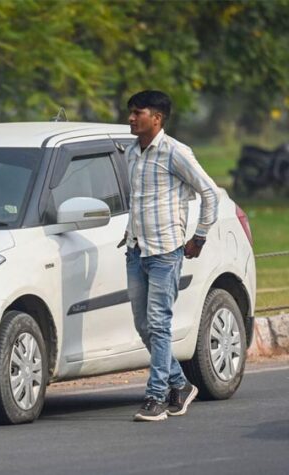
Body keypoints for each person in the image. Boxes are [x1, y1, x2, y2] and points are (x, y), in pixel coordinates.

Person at [123, 90, 219, 422]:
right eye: (131, 112)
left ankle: (156, 397)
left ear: (157, 118)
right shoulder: (131, 153)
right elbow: (138, 201)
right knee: (144, 325)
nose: (131, 118)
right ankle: (180, 384)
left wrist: (200, 236)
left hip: (165, 252)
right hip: (136, 250)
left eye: (138, 112)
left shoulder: (176, 152)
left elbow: (209, 192)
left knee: (159, 323)